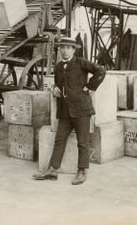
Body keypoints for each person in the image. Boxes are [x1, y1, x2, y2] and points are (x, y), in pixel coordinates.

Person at [33, 37, 106, 185]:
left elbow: (101, 70)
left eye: (68, 48)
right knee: (59, 140)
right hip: (65, 110)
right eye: (62, 48)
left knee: (83, 142)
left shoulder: (81, 62)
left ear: (74, 49)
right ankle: (52, 170)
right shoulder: (59, 66)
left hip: (81, 110)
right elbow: (57, 84)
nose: (65, 51)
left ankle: (81, 171)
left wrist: (89, 87)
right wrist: (54, 89)